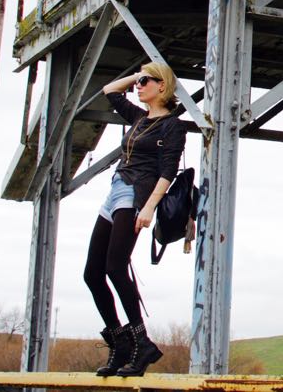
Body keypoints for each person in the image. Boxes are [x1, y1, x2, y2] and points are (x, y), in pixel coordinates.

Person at [83, 62, 186, 376]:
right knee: (92, 274)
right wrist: (140, 71)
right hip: (114, 194)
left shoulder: (173, 126)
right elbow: (109, 91)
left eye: (145, 82)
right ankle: (120, 341)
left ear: (162, 86)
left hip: (135, 196)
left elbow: (168, 171)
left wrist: (149, 207)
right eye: (139, 82)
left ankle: (143, 344)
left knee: (115, 267)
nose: (138, 87)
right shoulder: (140, 118)